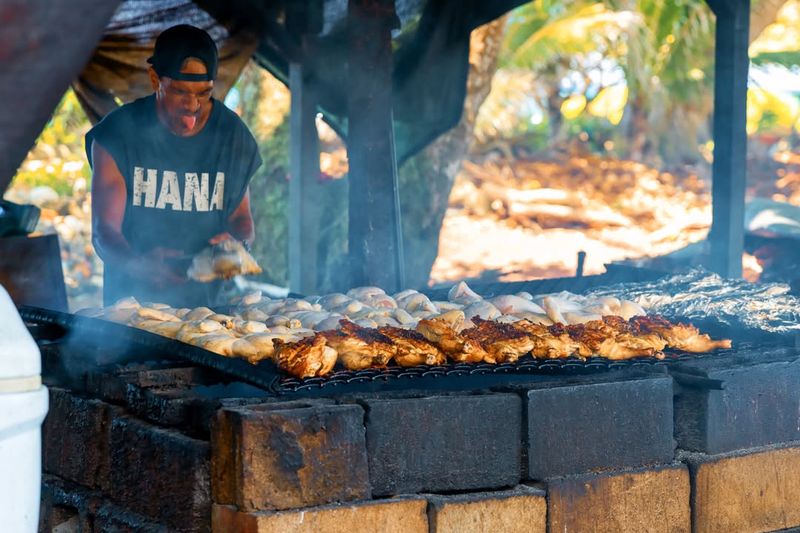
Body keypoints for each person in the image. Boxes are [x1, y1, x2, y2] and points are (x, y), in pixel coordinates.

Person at [86, 24, 261, 308]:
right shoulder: (117, 135)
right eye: (180, 91)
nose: (192, 105)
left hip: (208, 315)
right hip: (129, 312)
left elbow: (242, 221)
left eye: (204, 93)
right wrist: (138, 265)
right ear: (155, 79)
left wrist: (237, 245)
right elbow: (104, 233)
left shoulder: (232, 137)